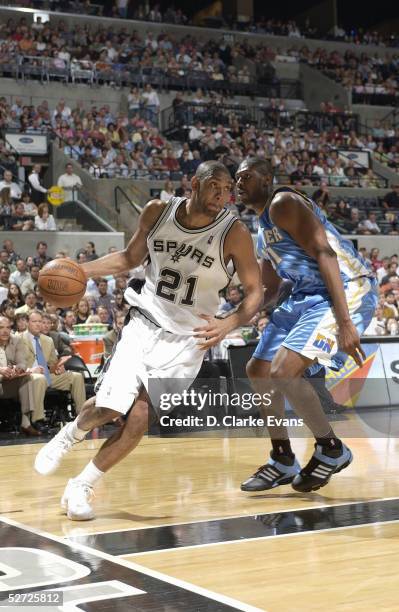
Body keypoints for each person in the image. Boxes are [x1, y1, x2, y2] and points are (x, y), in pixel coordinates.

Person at [34, 160, 263, 520]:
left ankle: (81, 485)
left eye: (227, 190)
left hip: (190, 340)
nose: (222, 195)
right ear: (194, 183)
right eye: (214, 186)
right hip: (145, 322)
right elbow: (128, 258)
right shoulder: (159, 211)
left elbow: (254, 292)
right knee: (111, 408)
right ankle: (70, 434)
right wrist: (79, 270)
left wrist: (230, 322)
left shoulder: (233, 233)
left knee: (139, 417)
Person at [235, 157, 378, 493]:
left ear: (267, 178)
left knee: (283, 370)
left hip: (346, 286)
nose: (240, 183)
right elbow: (268, 289)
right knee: (258, 369)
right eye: (237, 178)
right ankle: (282, 458)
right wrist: (228, 321)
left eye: (247, 176)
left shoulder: (284, 202)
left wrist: (345, 323)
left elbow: (325, 254)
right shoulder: (262, 231)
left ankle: (331, 449)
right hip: (303, 295)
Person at [21, 311, 86, 430]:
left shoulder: (48, 340)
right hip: (28, 376)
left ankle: (82, 416)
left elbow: (52, 363)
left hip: (47, 375)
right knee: (40, 378)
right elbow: (15, 363)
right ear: (28, 323)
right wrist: (30, 370)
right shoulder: (19, 338)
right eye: (34, 321)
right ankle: (37, 420)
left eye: (40, 321)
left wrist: (58, 367)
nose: (38, 324)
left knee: (76, 376)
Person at [0, 316, 38, 436]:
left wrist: (18, 369)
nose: (5, 331)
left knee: (26, 378)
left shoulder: (16, 340)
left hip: (8, 383)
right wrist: (1, 370)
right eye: (1, 328)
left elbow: (22, 362)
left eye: (8, 327)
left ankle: (26, 423)